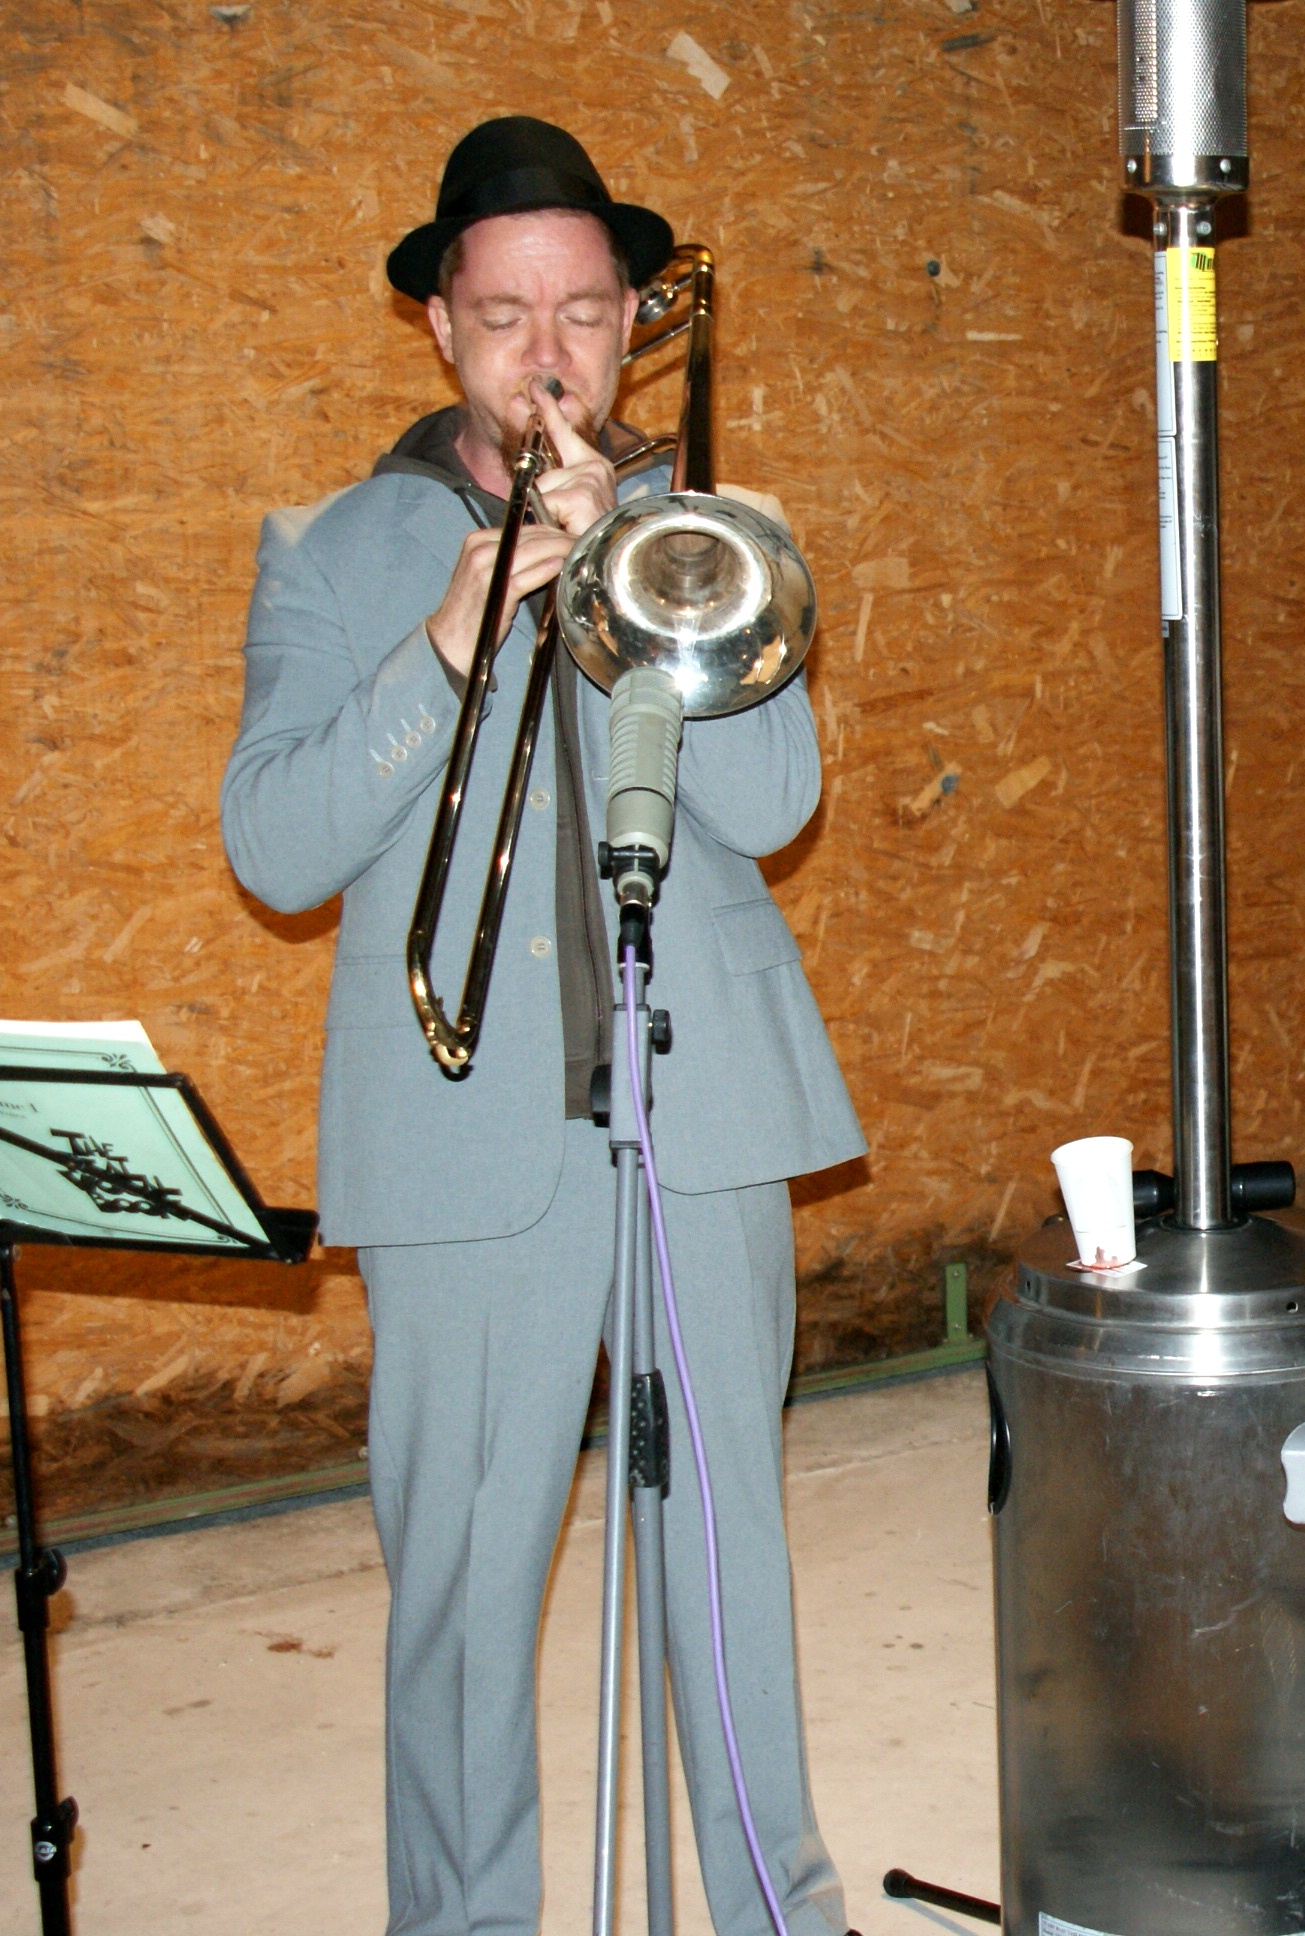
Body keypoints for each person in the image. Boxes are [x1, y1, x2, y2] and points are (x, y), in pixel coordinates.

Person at [221, 117, 865, 1936]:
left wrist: (640, 578)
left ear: (633, 324)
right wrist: (446, 639)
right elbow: (273, 845)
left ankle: (780, 1916)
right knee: (459, 1588)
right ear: (439, 327)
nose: (548, 357)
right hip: (454, 1133)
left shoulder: (717, 532)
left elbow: (776, 803)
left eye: (584, 313)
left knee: (725, 1566)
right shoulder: (328, 551)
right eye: (503, 318)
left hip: (705, 1109)